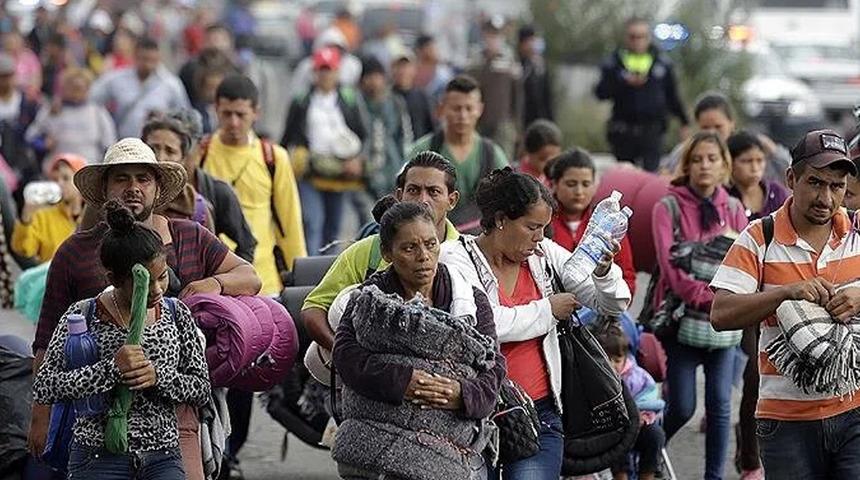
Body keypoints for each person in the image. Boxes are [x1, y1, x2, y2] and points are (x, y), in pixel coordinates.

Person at [27, 138, 261, 476]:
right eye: (121, 178)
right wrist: (40, 416)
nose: (133, 188)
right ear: (105, 188)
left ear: (157, 188)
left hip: (173, 426)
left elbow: (250, 277)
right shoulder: (76, 253)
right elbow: (47, 341)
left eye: (143, 179)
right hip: (96, 434)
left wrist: (210, 284)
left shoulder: (189, 237)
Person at [440, 168, 631, 479]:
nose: (540, 237)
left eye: (543, 228)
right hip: (473, 415)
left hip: (540, 414)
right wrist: (548, 311)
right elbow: (481, 326)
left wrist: (604, 272)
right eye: (531, 227)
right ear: (501, 219)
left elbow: (611, 304)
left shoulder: (544, 256)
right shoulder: (455, 258)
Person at [711, 129, 860, 480]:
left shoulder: (857, 231)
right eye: (815, 183)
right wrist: (784, 293)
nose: (826, 197)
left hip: (854, 410)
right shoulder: (758, 237)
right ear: (791, 178)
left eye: (837, 187)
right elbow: (720, 314)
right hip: (786, 421)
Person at [32, 199, 211, 479]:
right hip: (97, 457)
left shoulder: (177, 314)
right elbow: (45, 386)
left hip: (163, 455)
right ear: (114, 278)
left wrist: (158, 377)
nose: (156, 290)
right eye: (143, 283)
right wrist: (111, 369)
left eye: (162, 277)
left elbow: (201, 388)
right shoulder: (82, 315)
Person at [331, 201, 505, 479]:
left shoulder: (470, 300)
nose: (423, 256)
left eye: (430, 244)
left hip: (450, 449)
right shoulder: (368, 300)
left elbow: (493, 368)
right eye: (409, 248)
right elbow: (346, 358)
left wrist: (461, 394)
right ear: (388, 253)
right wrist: (405, 381)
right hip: (374, 440)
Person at [651, 131, 748, 480]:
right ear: (687, 165)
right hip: (681, 322)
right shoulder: (669, 207)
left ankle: (714, 476)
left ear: (724, 164)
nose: (704, 166)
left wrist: (726, 304)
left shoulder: (734, 209)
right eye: (697, 159)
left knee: (721, 406)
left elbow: (744, 264)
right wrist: (710, 299)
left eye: (712, 159)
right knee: (682, 405)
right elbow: (671, 267)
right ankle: (647, 451)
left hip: (723, 326)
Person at [302, 151, 461, 356]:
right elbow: (313, 308)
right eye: (413, 190)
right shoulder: (369, 250)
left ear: (452, 200)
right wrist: (349, 357)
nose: (422, 200)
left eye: (433, 192)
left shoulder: (467, 256)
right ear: (399, 195)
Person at [201, 74, 305, 295]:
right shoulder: (201, 154)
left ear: (256, 113)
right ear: (216, 109)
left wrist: (301, 278)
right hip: (212, 282)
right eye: (226, 114)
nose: (233, 122)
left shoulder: (274, 158)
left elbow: (289, 223)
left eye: (241, 114)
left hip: (263, 281)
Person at [282, 47, 369, 255]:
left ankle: (329, 272)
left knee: (333, 227)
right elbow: (288, 136)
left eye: (329, 70)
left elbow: (364, 133)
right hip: (311, 170)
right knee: (312, 222)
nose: (325, 75)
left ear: (337, 72)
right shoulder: (302, 101)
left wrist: (358, 160)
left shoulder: (349, 99)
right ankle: (310, 272)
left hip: (340, 172)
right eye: (321, 70)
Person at [409, 75, 509, 233]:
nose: (463, 116)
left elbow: (507, 201)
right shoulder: (422, 150)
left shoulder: (492, 154)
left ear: (480, 109)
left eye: (469, 108)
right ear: (442, 108)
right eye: (456, 108)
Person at [161, 108, 257, 263]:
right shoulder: (148, 192)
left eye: (183, 150)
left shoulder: (219, 194)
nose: (165, 159)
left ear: (201, 147)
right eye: (159, 149)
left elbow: (247, 245)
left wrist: (226, 279)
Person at [595, 17, 689, 172]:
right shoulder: (614, 62)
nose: (637, 41)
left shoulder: (662, 63)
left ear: (649, 37)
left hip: (652, 131)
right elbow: (600, 93)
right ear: (626, 38)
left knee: (650, 177)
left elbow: (672, 95)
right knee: (625, 178)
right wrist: (622, 82)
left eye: (642, 37)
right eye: (633, 37)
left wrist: (684, 121)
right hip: (623, 131)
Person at [546, 148, 637, 295]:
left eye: (586, 184)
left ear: (595, 186)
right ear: (554, 184)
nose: (579, 191)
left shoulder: (609, 225)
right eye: (571, 184)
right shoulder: (543, 222)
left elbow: (627, 279)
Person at [659, 92, 791, 184]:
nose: (712, 133)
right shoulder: (687, 150)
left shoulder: (747, 148)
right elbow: (663, 175)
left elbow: (789, 172)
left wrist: (771, 148)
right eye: (705, 128)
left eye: (718, 127)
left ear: (731, 123)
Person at [597, 324, 665, 480]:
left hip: (640, 423)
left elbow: (650, 400)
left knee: (656, 435)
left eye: (617, 360)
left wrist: (643, 416)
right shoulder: (595, 380)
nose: (612, 365)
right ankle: (621, 475)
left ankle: (647, 474)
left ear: (626, 357)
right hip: (610, 429)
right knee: (617, 435)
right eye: (607, 360)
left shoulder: (639, 377)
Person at [90, 36, 191, 138]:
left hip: (156, 144)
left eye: (153, 60)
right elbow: (93, 98)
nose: (148, 65)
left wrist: (166, 117)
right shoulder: (117, 79)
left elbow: (185, 115)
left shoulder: (171, 84)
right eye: (144, 59)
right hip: (124, 141)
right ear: (135, 56)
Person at [25, 67, 116, 163]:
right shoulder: (51, 110)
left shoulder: (97, 112)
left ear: (88, 88)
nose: (76, 92)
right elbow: (30, 137)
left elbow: (110, 144)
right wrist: (43, 144)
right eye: (72, 87)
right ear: (64, 88)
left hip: (89, 168)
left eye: (80, 88)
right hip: (59, 170)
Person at [11, 153, 85, 263]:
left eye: (65, 178)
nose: (59, 183)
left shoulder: (94, 216)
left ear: (81, 182)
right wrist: (26, 218)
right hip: (52, 279)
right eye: (55, 179)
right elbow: (23, 249)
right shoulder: (43, 216)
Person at [467, 17, 522, 160]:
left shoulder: (510, 60)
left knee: (502, 162)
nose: (493, 39)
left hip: (502, 122)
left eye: (496, 35)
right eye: (490, 34)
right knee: (478, 159)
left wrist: (516, 124)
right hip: (477, 120)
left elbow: (517, 95)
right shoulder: (475, 58)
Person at [359, 55, 410, 199]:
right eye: (369, 76)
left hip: (392, 169)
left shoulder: (395, 102)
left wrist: (404, 168)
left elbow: (404, 137)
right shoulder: (357, 103)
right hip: (364, 175)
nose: (374, 81)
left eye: (377, 76)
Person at [728, 130, 791, 221]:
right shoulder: (724, 198)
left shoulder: (776, 192)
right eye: (747, 161)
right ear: (730, 163)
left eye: (760, 160)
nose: (755, 168)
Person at [0, 52, 40, 193]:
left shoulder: (27, 101)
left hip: (23, 159)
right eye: (2, 77)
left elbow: (37, 128)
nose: (5, 81)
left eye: (8, 76)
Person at [391, 50, 435, 139]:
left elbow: (431, 126)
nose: (402, 71)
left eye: (406, 66)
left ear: (414, 69)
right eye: (399, 66)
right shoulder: (386, 97)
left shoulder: (422, 97)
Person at [518, 25, 553, 128]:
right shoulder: (517, 65)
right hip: (523, 121)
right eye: (530, 41)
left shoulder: (540, 66)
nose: (533, 44)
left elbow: (547, 97)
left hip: (540, 120)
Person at [414, 34, 454, 107]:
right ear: (420, 51)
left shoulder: (444, 74)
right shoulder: (412, 72)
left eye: (436, 48)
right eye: (431, 48)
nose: (436, 52)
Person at [520, 119, 562, 185]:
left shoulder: (560, 177)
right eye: (543, 159)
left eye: (555, 159)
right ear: (528, 154)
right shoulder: (517, 177)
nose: (550, 164)